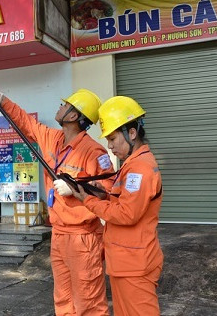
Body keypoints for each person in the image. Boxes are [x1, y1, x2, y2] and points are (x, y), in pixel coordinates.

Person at [0, 87, 115, 316]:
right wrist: (1, 99)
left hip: (83, 236)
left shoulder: (94, 151)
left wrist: (75, 189)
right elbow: (25, 122)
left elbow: (108, 190)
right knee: (63, 300)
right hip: (59, 234)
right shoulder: (53, 138)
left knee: (88, 302)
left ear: (74, 116)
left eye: (65, 105)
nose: (59, 107)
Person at [71, 96, 163, 316]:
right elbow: (122, 200)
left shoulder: (139, 169)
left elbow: (126, 214)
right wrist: (99, 190)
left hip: (134, 265)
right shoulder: (131, 165)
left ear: (132, 133)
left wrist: (88, 200)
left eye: (112, 139)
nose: (109, 147)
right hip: (126, 262)